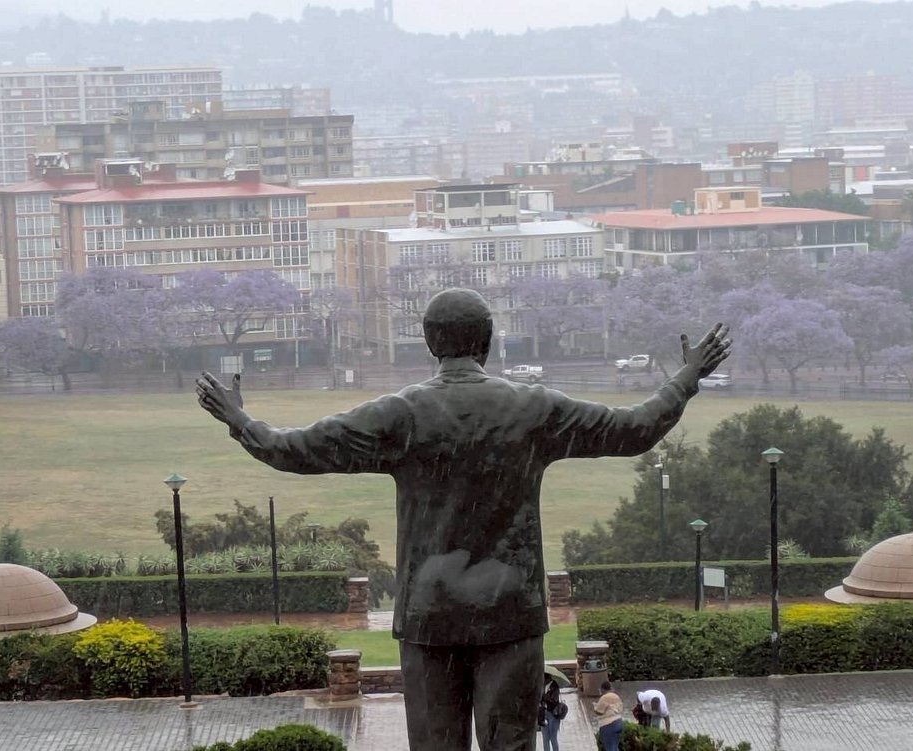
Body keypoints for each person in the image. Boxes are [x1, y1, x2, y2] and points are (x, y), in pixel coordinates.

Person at [196, 288, 730, 751]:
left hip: (430, 615)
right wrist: (688, 376)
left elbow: (292, 450)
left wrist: (239, 419)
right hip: (510, 613)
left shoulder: (403, 415)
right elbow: (635, 429)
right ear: (489, 340)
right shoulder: (532, 410)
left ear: (431, 343)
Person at [593, 680, 623, 751]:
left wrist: (595, 707)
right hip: (618, 722)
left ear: (603, 689)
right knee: (615, 745)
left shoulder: (604, 697)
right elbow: (621, 708)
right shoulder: (616, 696)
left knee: (609, 747)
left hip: (608, 724)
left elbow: (599, 711)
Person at [539, 673, 562, 751]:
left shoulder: (554, 686)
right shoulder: (542, 686)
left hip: (553, 714)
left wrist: (545, 697)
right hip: (544, 714)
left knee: (553, 737)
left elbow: (554, 700)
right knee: (545, 738)